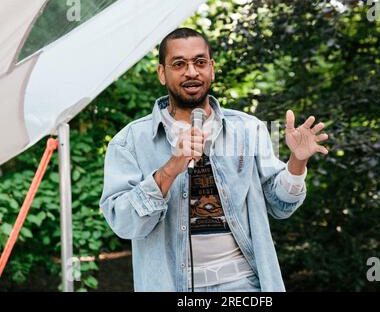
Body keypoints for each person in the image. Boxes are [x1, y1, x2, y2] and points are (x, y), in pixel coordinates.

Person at [99, 28, 329, 292]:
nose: (192, 72)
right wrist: (170, 169)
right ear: (162, 73)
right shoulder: (129, 142)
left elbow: (281, 206)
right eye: (179, 64)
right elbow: (123, 223)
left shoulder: (248, 129)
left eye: (199, 62)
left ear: (212, 68)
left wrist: (297, 163)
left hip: (244, 285)